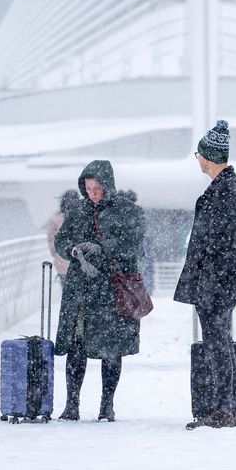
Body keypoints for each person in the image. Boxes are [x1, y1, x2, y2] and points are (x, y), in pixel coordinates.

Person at [54, 160, 145, 422]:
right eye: (88, 188)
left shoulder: (127, 211)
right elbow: (61, 241)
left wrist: (102, 248)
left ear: (108, 186)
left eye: (97, 188)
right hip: (80, 290)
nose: (92, 193)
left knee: (111, 348)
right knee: (77, 346)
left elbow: (133, 245)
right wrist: (73, 250)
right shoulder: (77, 210)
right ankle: (72, 404)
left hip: (111, 290)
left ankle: (107, 405)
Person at [174, 120, 236, 430]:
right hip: (216, 282)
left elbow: (221, 241)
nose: (197, 159)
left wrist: (209, 279)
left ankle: (225, 409)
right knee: (217, 342)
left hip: (216, 284)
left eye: (199, 154)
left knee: (218, 343)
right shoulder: (225, 187)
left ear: (209, 156)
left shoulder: (226, 189)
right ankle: (223, 407)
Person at [46, 189, 79, 281]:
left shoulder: (56, 219)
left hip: (62, 264)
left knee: (66, 290)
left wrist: (56, 254)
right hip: (79, 265)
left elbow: (51, 241)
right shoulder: (81, 218)